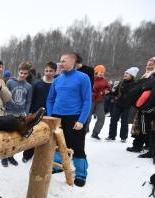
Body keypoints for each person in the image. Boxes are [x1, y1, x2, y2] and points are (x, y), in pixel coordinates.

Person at [46, 52, 92, 187]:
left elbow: (87, 101)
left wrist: (81, 120)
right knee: (57, 144)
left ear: (73, 62)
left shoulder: (83, 78)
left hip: (74, 118)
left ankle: (81, 174)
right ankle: (58, 165)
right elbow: (50, 100)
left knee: (77, 146)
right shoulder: (57, 79)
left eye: (64, 61)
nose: (60, 63)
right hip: (57, 117)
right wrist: (51, 117)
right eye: (60, 61)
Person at [23, 61, 57, 162]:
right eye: (46, 70)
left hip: (50, 113)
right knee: (33, 132)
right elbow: (33, 98)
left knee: (49, 134)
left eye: (51, 71)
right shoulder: (38, 84)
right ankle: (27, 154)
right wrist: (30, 111)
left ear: (55, 72)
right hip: (37, 112)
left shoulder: (56, 84)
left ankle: (45, 155)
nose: (48, 73)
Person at [2, 62, 33, 166]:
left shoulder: (28, 86)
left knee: (16, 136)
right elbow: (5, 97)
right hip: (9, 112)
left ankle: (11, 156)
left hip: (20, 114)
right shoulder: (10, 82)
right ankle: (4, 157)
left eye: (25, 73)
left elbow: (28, 101)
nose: (23, 75)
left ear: (28, 74)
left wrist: (27, 113)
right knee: (7, 135)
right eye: (21, 72)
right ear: (18, 72)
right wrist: (3, 109)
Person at [128, 57, 155, 154]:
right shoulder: (145, 76)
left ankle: (140, 145)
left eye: (151, 65)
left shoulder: (152, 76)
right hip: (141, 104)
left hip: (148, 105)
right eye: (147, 65)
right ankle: (142, 144)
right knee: (141, 125)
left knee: (145, 126)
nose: (148, 67)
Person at [106, 67, 140, 142]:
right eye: (125, 73)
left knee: (124, 122)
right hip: (118, 104)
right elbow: (116, 93)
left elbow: (134, 95)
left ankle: (123, 137)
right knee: (113, 120)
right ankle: (111, 136)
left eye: (127, 73)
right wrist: (109, 92)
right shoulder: (121, 82)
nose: (125, 74)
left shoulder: (135, 84)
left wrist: (127, 97)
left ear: (132, 75)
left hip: (127, 106)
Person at [89, 65, 110, 140]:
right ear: (96, 72)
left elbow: (107, 87)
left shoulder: (104, 80)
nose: (101, 73)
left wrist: (105, 91)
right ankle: (84, 131)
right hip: (90, 100)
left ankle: (95, 133)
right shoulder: (91, 79)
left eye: (103, 72)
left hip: (100, 100)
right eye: (100, 72)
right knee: (87, 117)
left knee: (101, 117)